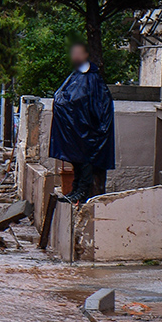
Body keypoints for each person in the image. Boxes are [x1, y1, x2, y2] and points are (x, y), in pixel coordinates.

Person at [50, 43, 115, 204]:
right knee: (78, 161)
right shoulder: (78, 75)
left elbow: (89, 102)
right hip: (78, 129)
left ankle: (81, 191)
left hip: (88, 130)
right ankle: (76, 190)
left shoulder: (91, 78)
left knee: (85, 161)